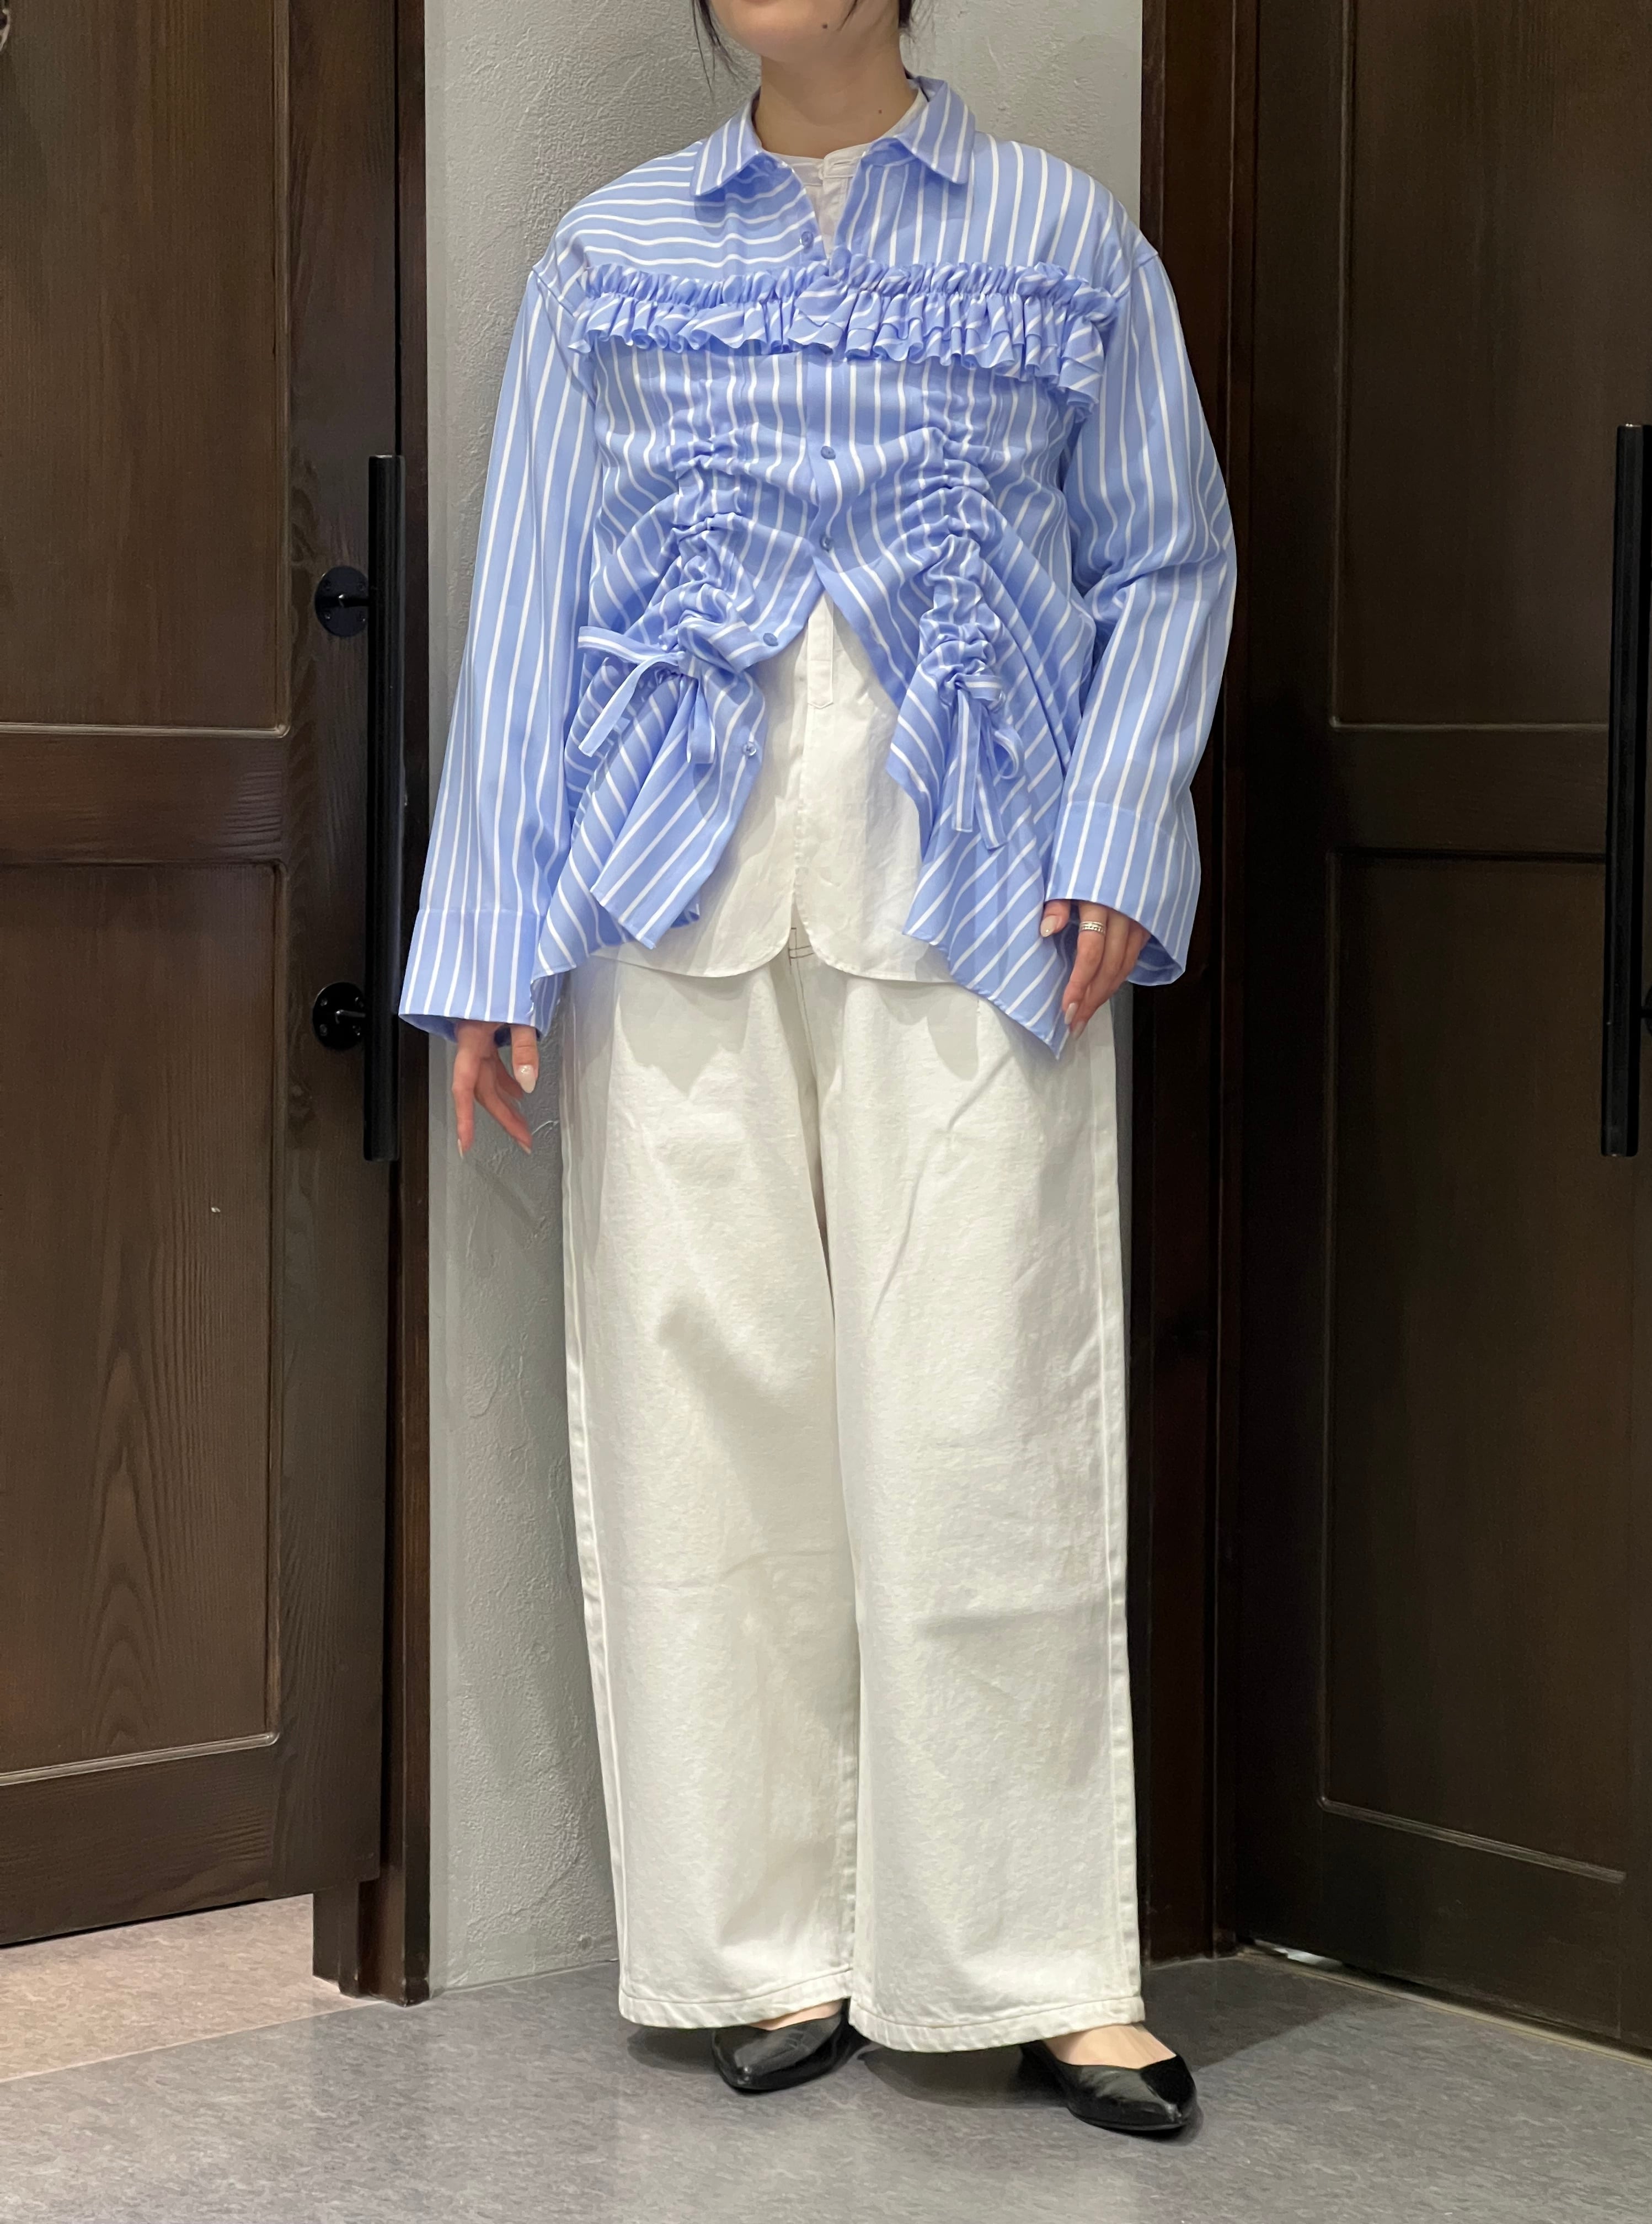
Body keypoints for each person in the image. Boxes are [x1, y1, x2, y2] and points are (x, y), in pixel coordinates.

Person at [402, 0, 1233, 2141]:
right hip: (669, 889)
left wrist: (1119, 825)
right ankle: (758, 1944)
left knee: (988, 1411)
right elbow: (534, 602)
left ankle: (1039, 1964)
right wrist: (490, 943)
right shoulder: (610, 256)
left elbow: (1167, 558)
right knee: (699, 1418)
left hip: (985, 892)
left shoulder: (1062, 237)